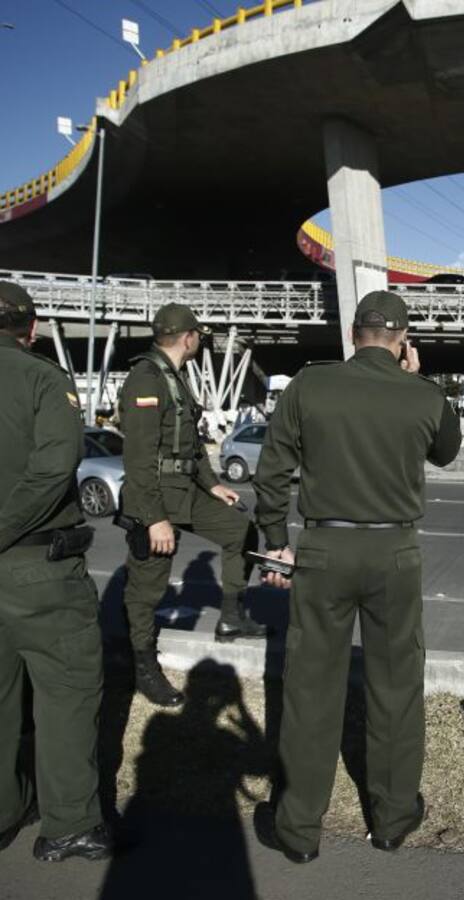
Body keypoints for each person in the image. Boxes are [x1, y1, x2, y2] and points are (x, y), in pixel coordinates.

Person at [252, 290, 461, 863]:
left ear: (353, 331)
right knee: (395, 687)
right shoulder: (422, 394)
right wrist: (420, 379)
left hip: (323, 546)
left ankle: (298, 830)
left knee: (311, 687)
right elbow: (448, 450)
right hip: (394, 550)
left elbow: (272, 472)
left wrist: (275, 543)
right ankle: (391, 820)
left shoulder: (309, 384)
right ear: (402, 340)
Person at [0, 281, 112, 862]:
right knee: (66, 695)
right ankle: (68, 824)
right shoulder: (44, 379)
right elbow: (51, 472)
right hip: (38, 568)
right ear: (33, 328)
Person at [118, 303, 267, 708]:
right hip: (154, 497)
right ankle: (143, 667)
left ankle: (232, 618)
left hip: (185, 489)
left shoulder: (174, 378)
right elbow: (139, 458)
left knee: (240, 531)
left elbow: (191, 444)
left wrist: (213, 485)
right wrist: (154, 519)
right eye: (198, 335)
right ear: (188, 337)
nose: (200, 340)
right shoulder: (145, 379)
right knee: (147, 589)